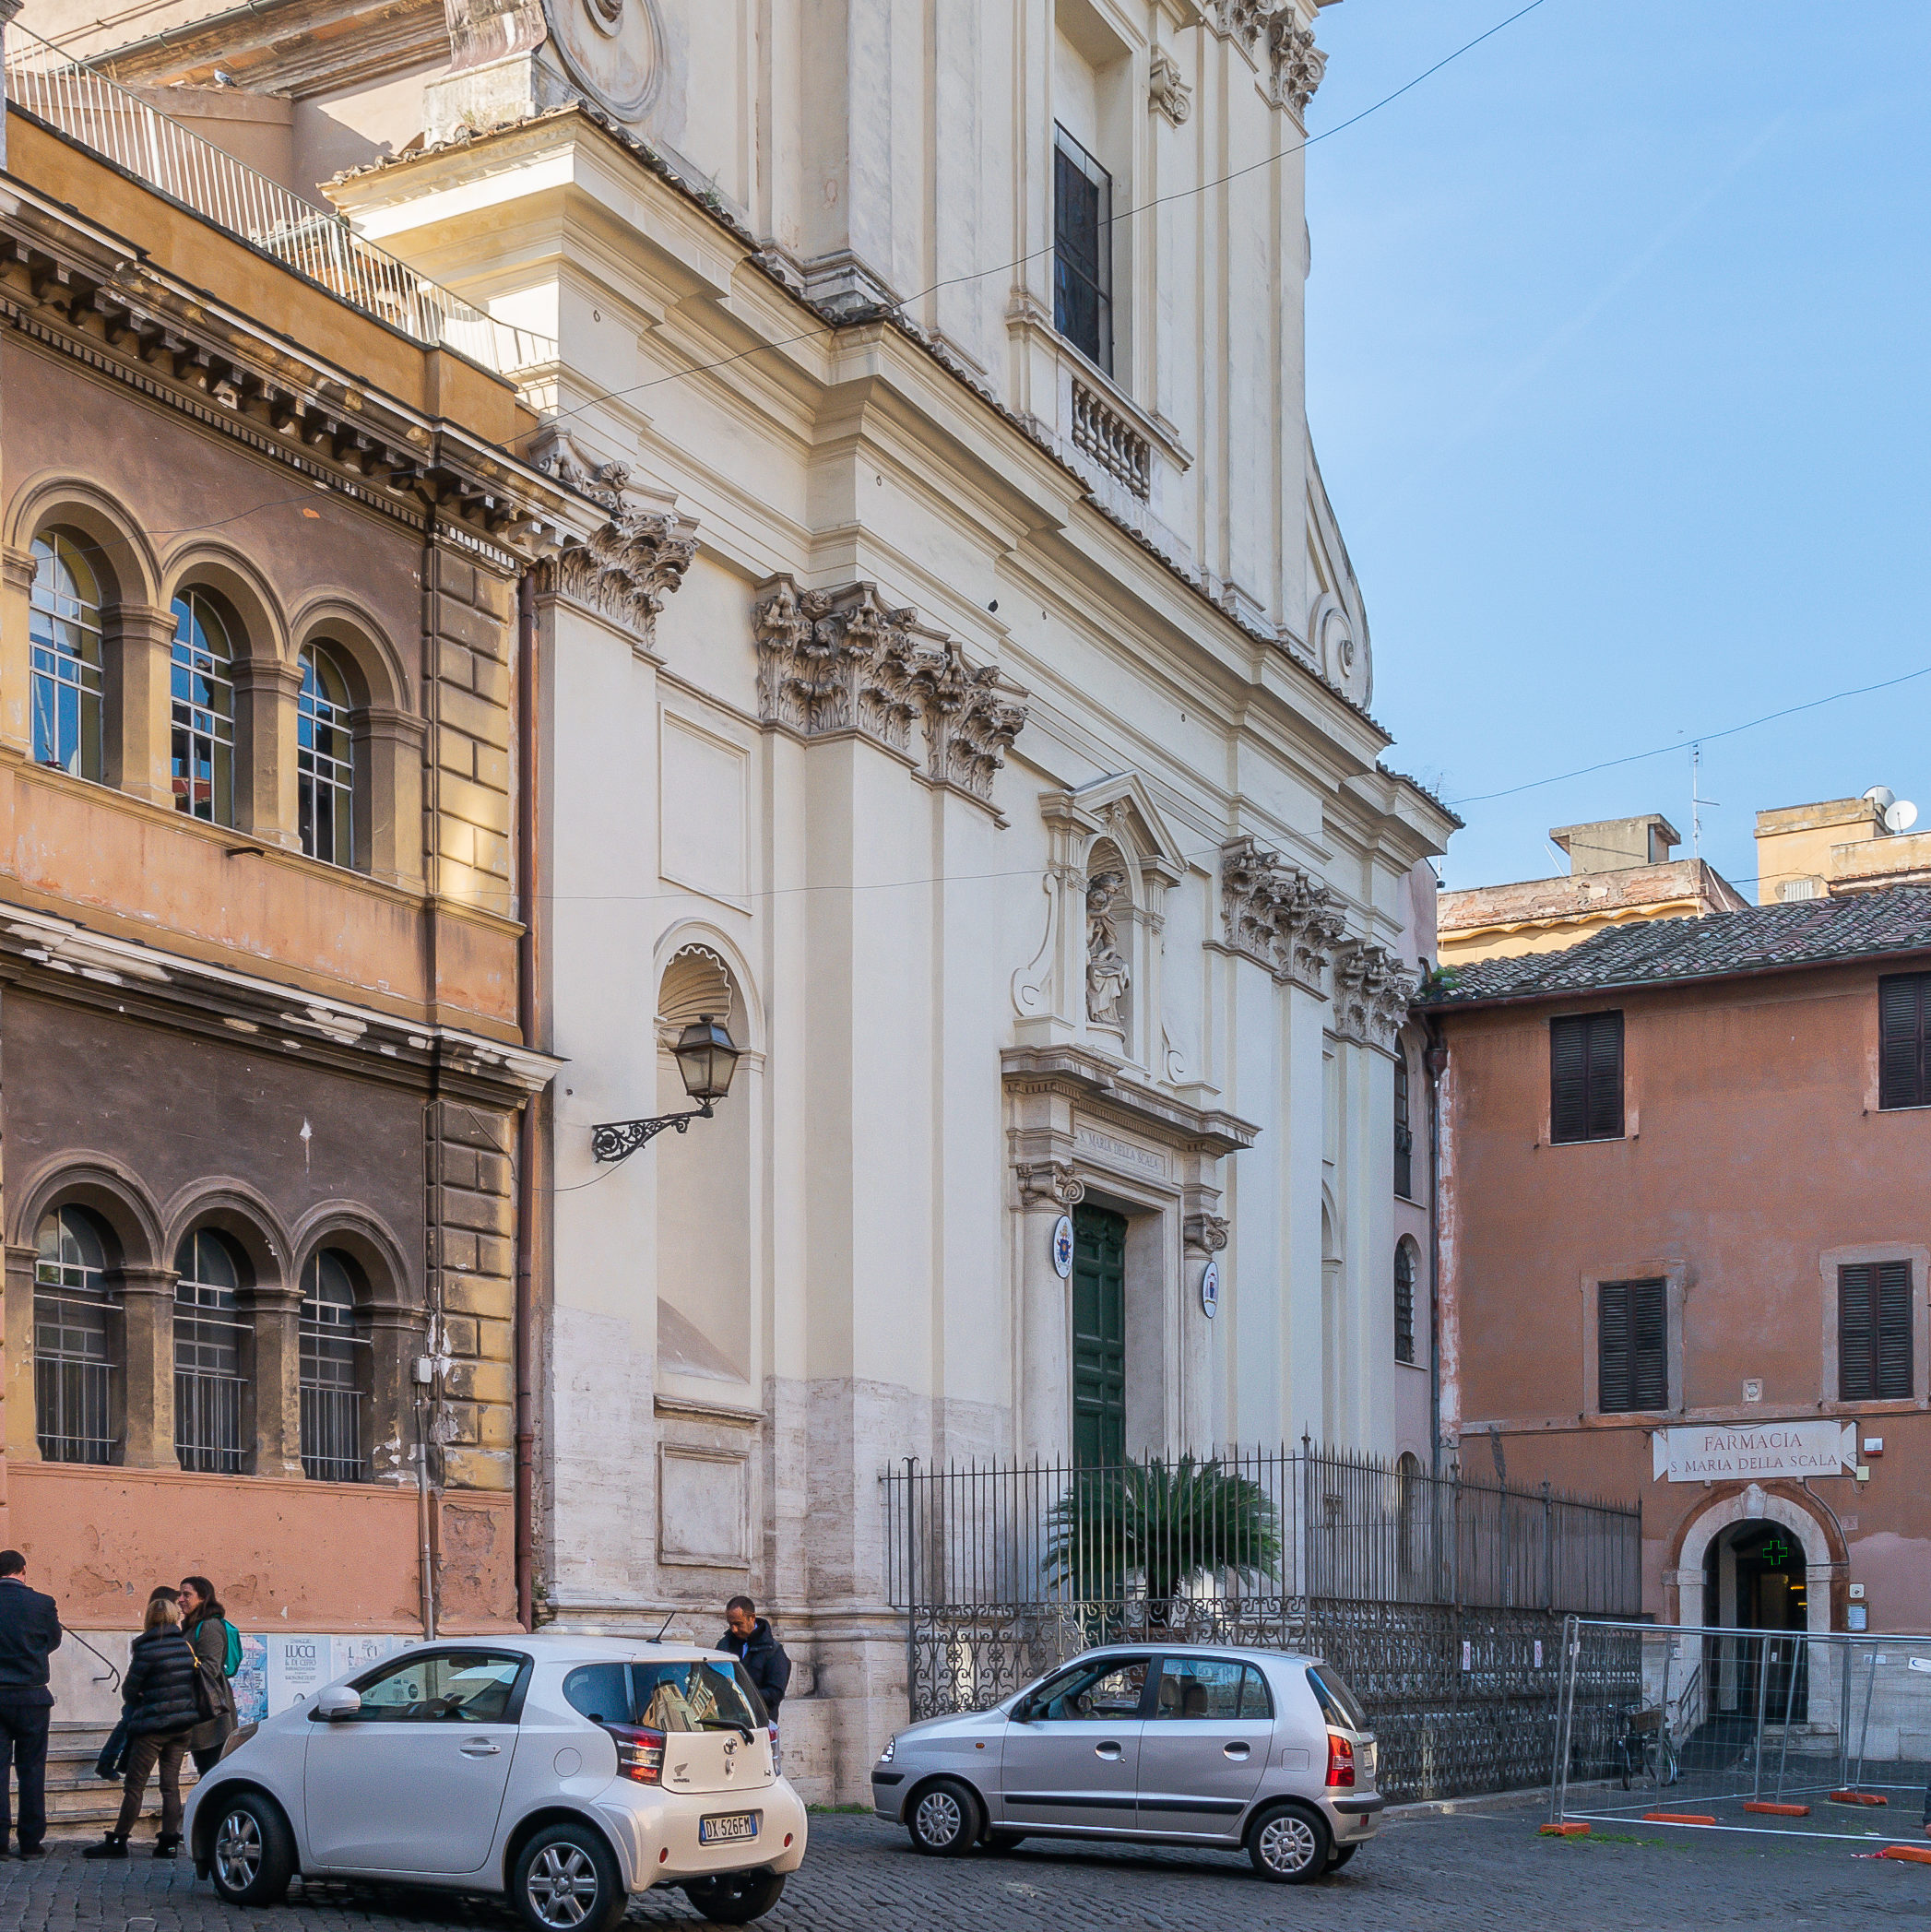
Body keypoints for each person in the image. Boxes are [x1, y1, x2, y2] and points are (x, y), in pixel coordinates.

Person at [85, 1591, 201, 1859]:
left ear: (149, 1618)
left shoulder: (146, 1648)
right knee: (170, 1786)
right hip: (182, 1726)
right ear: (173, 1617)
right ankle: (169, 1843)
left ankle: (118, 1841)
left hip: (152, 1727)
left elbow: (129, 1690)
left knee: (135, 1786)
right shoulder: (185, 1646)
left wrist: (143, 1696)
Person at [0, 1549, 61, 1861]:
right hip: (32, 1695)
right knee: (32, 1770)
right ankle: (30, 1842)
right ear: (23, 1570)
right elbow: (53, 1641)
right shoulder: (42, 1602)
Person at [179, 1576, 238, 1775]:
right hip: (200, 1711)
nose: (180, 1599)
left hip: (211, 1715)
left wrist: (177, 1675)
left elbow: (210, 1668)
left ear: (203, 1598)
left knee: (212, 1770)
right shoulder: (193, 1625)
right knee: (206, 1769)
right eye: (181, 1595)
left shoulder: (209, 1626)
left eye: (187, 1594)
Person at [716, 1595, 790, 1718]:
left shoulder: (773, 1651)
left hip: (759, 1721)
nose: (734, 1629)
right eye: (730, 1624)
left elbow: (775, 1694)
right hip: (728, 1719)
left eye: (738, 1624)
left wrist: (742, 1696)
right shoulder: (724, 1644)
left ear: (752, 1618)